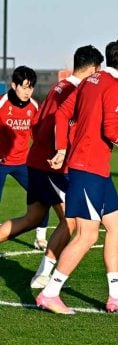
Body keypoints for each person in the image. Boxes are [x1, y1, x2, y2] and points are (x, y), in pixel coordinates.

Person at [36, 37, 118, 315]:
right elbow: (111, 129)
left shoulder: (89, 81)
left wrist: (61, 149)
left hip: (97, 170)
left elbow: (62, 113)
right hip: (88, 169)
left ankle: (117, 297)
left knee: (117, 227)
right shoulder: (114, 86)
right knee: (86, 235)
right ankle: (50, 293)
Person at [3, 45, 104, 289]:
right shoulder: (73, 90)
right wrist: (60, 151)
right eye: (98, 71)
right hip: (52, 167)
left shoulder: (58, 88)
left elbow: (37, 124)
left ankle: (44, 272)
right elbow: (61, 121)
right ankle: (43, 275)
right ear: (92, 69)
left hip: (36, 162)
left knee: (32, 218)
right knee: (71, 221)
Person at [0, 66, 49, 249]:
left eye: (31, 87)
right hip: (1, 163)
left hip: (24, 163)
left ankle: (40, 238)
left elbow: (38, 136)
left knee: (44, 196)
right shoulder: (2, 104)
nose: (28, 92)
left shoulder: (34, 106)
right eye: (25, 87)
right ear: (14, 85)